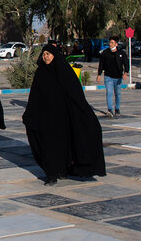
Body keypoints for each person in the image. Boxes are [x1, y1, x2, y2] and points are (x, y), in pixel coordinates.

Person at [24, 44, 106, 186]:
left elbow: (76, 95)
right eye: (44, 54)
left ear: (55, 55)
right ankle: (51, 174)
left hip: (63, 119)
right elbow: (34, 96)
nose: (46, 56)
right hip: (46, 119)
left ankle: (63, 170)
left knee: (63, 146)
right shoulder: (41, 73)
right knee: (48, 146)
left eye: (49, 54)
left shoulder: (64, 71)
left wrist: (85, 113)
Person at [96, 35, 128, 117]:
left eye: (112, 43)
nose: (110, 44)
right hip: (108, 77)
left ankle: (117, 109)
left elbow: (126, 63)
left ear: (116, 44)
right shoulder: (105, 53)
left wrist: (126, 72)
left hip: (118, 77)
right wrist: (99, 74)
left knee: (117, 93)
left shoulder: (121, 53)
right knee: (109, 93)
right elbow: (101, 64)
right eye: (109, 42)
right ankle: (110, 110)